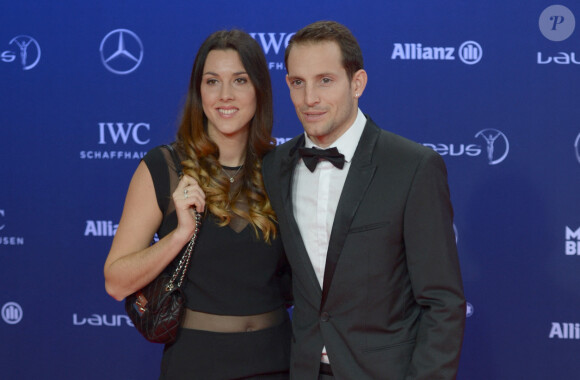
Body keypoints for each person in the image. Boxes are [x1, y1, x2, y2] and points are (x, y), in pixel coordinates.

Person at [261, 21, 466, 379]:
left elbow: (442, 303)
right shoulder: (276, 166)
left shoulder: (413, 167)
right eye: (298, 83)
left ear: (357, 83)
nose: (309, 98)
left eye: (325, 80)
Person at [104, 30, 292, 380]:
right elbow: (115, 283)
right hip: (196, 365)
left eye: (239, 80)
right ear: (198, 91)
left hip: (278, 362)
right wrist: (179, 235)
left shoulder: (282, 168)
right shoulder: (164, 167)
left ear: (259, 90)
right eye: (212, 81)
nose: (225, 95)